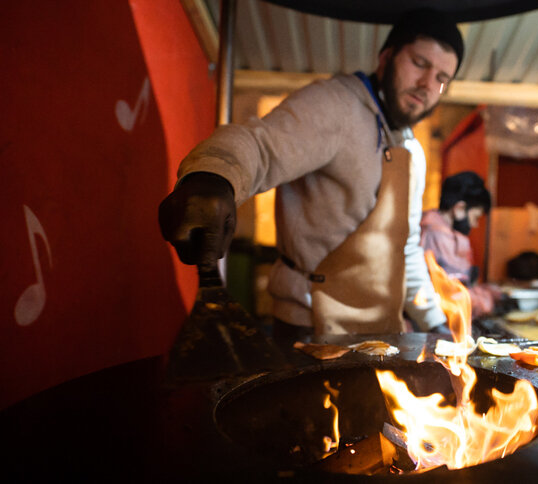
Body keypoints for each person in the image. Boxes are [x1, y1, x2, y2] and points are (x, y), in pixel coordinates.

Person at [158, 9, 464, 337]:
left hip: (375, 330)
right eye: (420, 64)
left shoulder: (413, 152)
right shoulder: (336, 105)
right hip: (308, 326)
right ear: (386, 57)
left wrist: (435, 322)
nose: (427, 85)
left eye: (441, 79)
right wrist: (213, 176)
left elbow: (404, 247)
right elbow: (260, 147)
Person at [419, 171, 497, 316]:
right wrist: (488, 299)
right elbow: (453, 296)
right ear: (459, 208)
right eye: (476, 217)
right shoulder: (438, 236)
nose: (475, 225)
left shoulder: (433, 228)